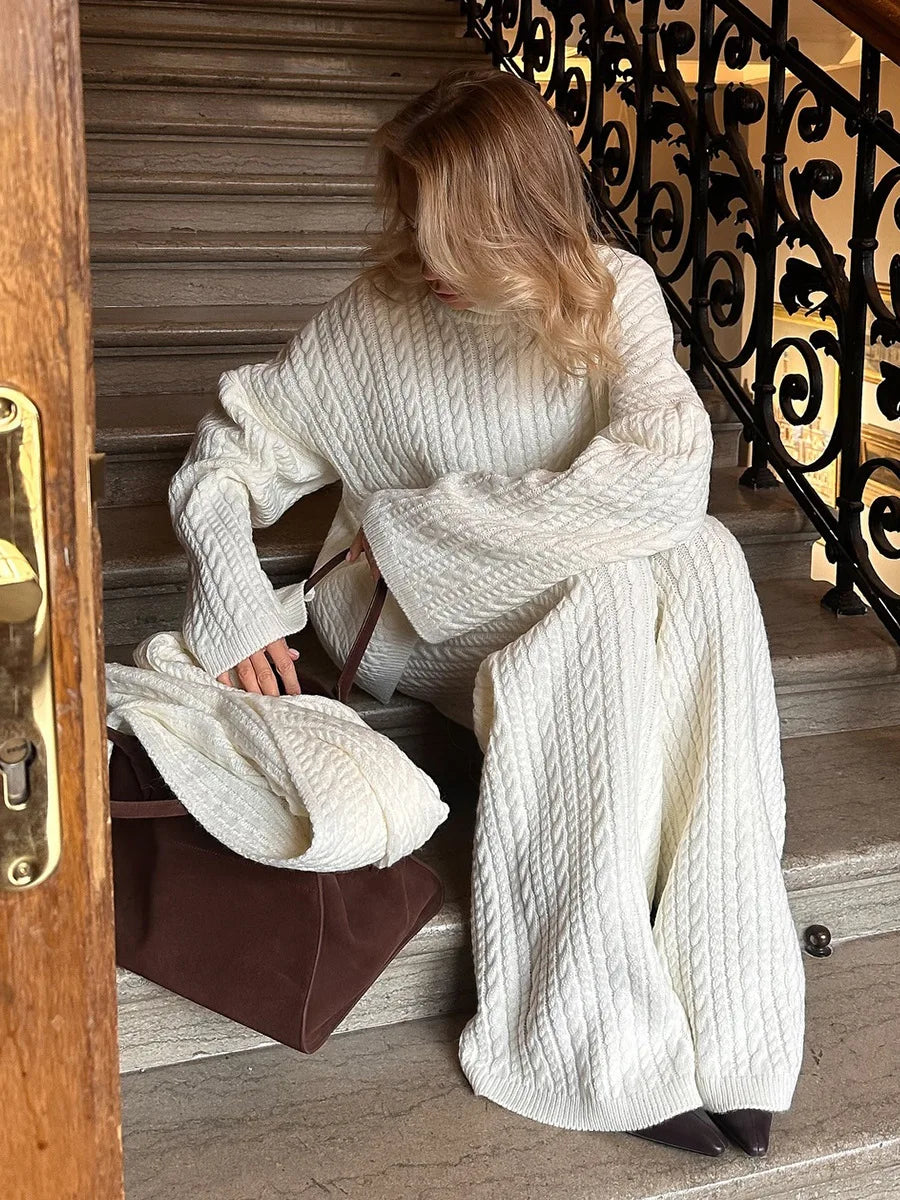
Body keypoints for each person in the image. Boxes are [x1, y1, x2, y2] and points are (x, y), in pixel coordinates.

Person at [167, 64, 806, 1158]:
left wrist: (422, 525)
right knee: (623, 587)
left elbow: (666, 481)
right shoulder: (372, 321)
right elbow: (221, 461)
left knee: (701, 557)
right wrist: (233, 598)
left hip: (507, 585)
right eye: (416, 221)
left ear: (527, 213)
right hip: (405, 622)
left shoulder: (613, 292)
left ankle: (730, 994)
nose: (429, 259)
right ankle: (582, 1020)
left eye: (456, 232)